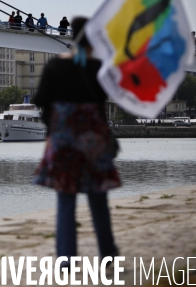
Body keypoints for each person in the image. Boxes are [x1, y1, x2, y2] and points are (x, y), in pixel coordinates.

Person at [34, 16, 121, 265]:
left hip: (63, 139)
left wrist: (54, 130)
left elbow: (42, 100)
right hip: (93, 139)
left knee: (65, 200)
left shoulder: (54, 66)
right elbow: (103, 104)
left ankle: (66, 258)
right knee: (98, 199)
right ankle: (108, 254)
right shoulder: (99, 68)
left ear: (71, 35)